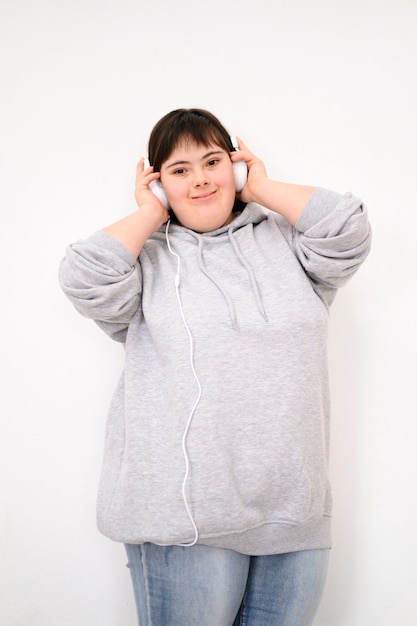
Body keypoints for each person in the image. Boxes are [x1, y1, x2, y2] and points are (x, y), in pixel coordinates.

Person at [59, 108, 371, 626]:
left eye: (213, 161)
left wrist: (262, 188)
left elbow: (347, 228)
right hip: (186, 523)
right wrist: (151, 213)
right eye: (180, 170)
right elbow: (83, 275)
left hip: (295, 517)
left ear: (236, 167)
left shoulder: (290, 247)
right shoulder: (146, 263)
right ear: (158, 183)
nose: (201, 178)